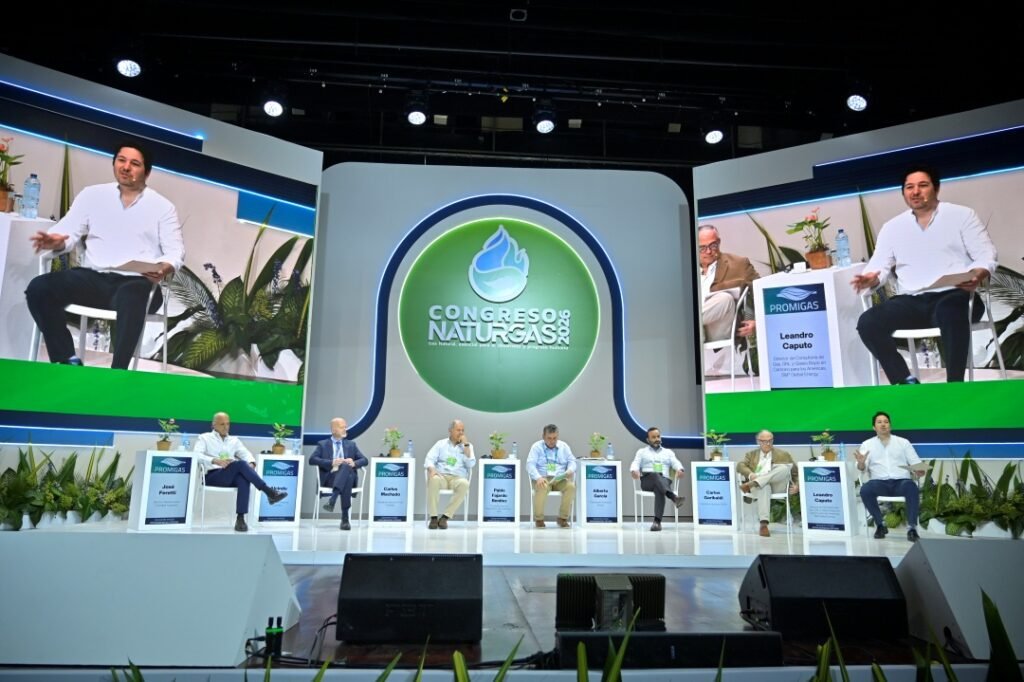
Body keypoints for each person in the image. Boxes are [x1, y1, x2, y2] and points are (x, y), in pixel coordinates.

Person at [27, 142, 184, 370]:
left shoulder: (162, 207)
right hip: (93, 279)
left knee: (134, 294)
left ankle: (117, 374)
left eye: (134, 163)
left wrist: (164, 267)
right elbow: (68, 230)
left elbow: (175, 251)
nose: (126, 167)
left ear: (147, 172)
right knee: (39, 288)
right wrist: (56, 240)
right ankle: (66, 360)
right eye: (121, 160)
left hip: (136, 282)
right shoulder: (92, 195)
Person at [852, 165, 997, 384]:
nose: (915, 192)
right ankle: (905, 382)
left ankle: (955, 386)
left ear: (936, 188)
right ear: (903, 193)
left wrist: (976, 275)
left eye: (922, 185)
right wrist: (871, 278)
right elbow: (879, 264)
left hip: (956, 295)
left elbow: (986, 255)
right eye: (909, 187)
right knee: (868, 321)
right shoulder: (892, 227)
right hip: (912, 301)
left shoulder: (961, 215)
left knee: (950, 310)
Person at [193, 412, 288, 532]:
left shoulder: (234, 440)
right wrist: (215, 460)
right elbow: (196, 455)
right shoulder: (204, 438)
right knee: (241, 465)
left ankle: (240, 519)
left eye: (228, 424)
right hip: (212, 475)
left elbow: (246, 454)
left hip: (229, 474)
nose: (226, 427)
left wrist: (251, 463)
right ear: (214, 425)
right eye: (222, 424)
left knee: (243, 477)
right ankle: (269, 492)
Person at [854, 411, 925, 542]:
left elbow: (916, 464)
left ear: (890, 425)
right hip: (879, 483)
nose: (883, 424)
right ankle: (880, 525)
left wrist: (919, 470)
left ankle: (912, 528)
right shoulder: (867, 444)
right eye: (879, 422)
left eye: (886, 422)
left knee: (911, 487)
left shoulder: (903, 442)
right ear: (874, 427)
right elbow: (861, 468)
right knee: (865, 490)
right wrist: (861, 463)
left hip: (901, 482)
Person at [309, 417, 367, 530]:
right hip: (330, 478)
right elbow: (312, 460)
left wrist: (354, 463)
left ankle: (333, 500)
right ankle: (345, 518)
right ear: (333, 430)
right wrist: (331, 462)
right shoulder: (323, 444)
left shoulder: (351, 444)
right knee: (348, 476)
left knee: (346, 467)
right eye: (342, 427)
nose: (345, 429)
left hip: (345, 479)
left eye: (345, 427)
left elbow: (364, 460)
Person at [737, 430, 797, 537]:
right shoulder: (751, 454)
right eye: (764, 441)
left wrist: (797, 486)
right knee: (764, 486)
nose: (768, 444)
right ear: (758, 441)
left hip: (777, 486)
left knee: (784, 468)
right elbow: (740, 466)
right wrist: (751, 475)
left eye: (770, 441)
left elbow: (795, 472)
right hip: (760, 488)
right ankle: (763, 524)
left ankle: (754, 483)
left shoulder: (783, 454)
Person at [629, 427, 685, 531]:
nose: (657, 439)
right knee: (655, 475)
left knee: (659, 488)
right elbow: (635, 462)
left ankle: (657, 523)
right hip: (647, 481)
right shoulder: (642, 452)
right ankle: (673, 497)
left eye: (658, 436)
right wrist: (634, 470)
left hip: (664, 481)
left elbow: (676, 462)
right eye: (653, 437)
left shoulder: (668, 452)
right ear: (648, 440)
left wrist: (680, 469)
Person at [423, 419, 476, 529]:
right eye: (458, 430)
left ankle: (445, 517)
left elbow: (471, 464)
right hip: (441, 476)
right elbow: (429, 459)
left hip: (457, 478)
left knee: (465, 484)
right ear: (450, 430)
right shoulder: (441, 444)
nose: (461, 433)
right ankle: (433, 517)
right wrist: (432, 469)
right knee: (433, 479)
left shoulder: (468, 446)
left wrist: (466, 446)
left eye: (463, 430)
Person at [526, 424, 577, 528]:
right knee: (542, 487)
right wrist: (538, 477)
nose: (552, 441)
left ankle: (562, 518)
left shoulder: (564, 446)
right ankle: (539, 519)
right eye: (549, 438)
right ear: (543, 437)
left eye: (555, 438)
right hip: (543, 478)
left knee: (571, 487)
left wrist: (570, 470)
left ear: (558, 436)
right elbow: (530, 464)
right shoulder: (536, 447)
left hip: (559, 478)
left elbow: (572, 461)